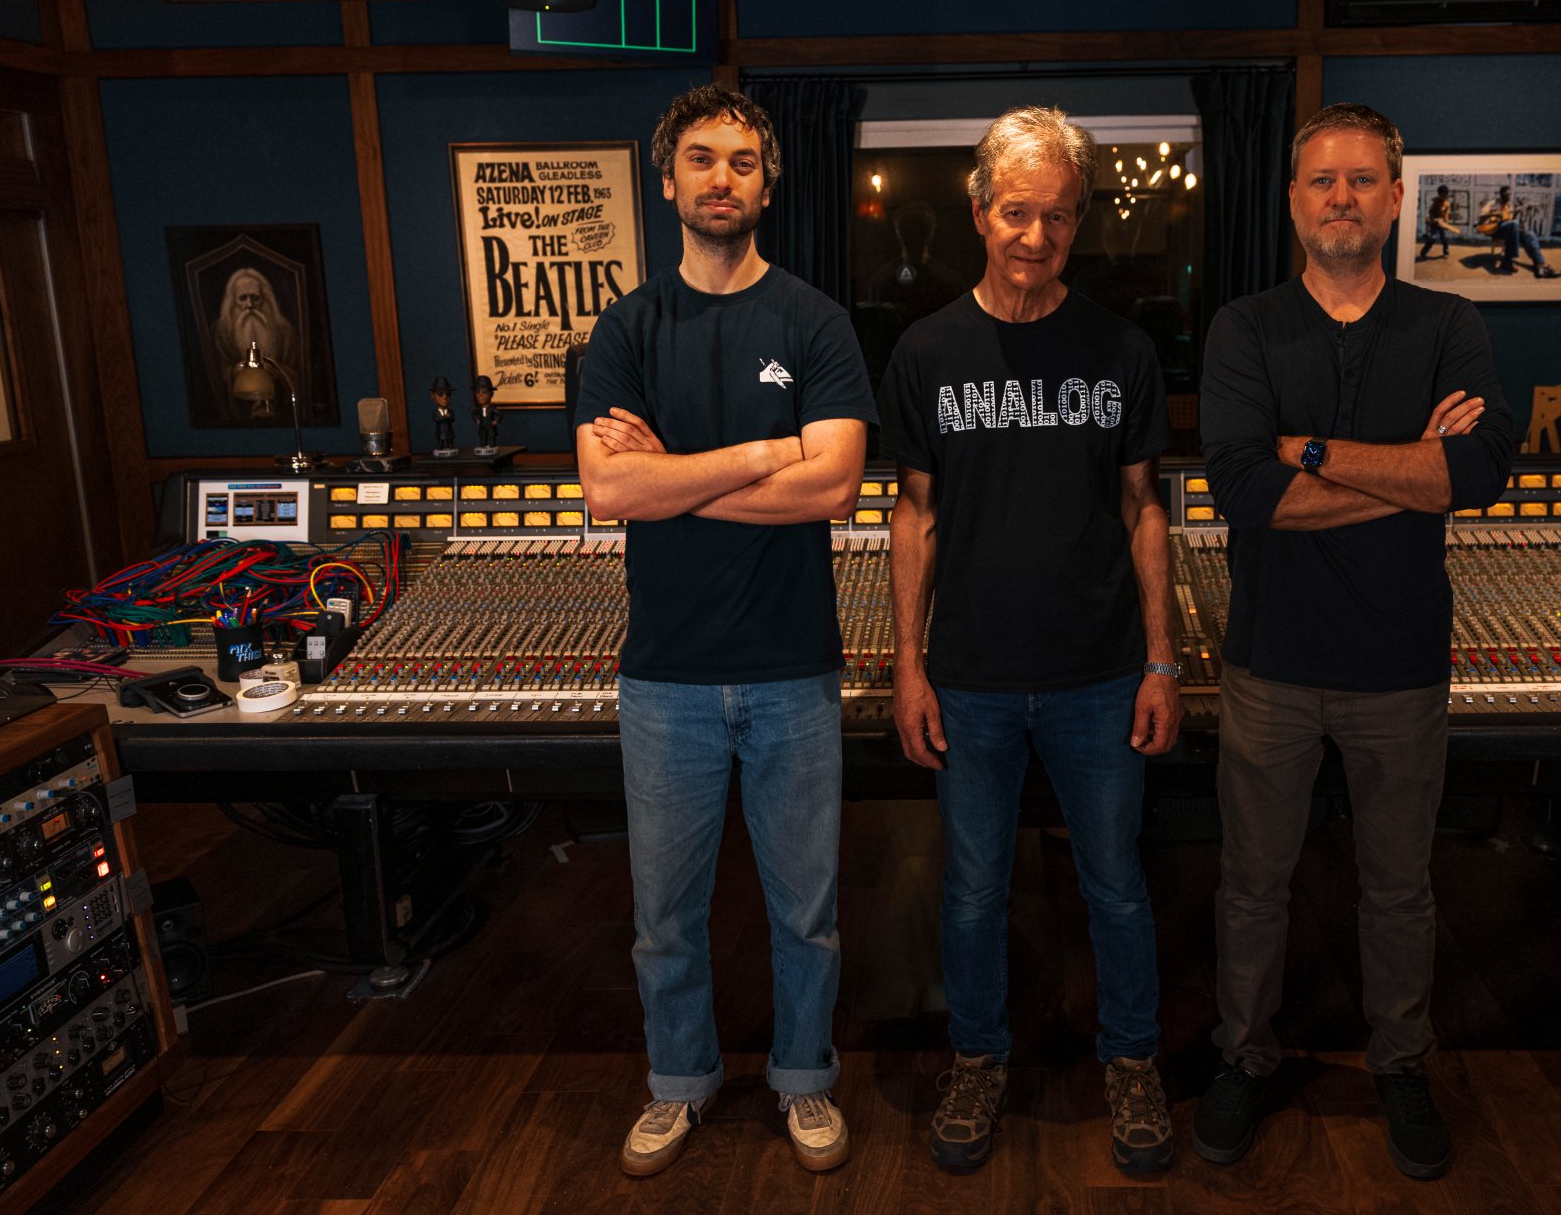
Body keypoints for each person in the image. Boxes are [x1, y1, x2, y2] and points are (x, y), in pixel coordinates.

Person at [1194, 102, 1513, 1182]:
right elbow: (1245, 492)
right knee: (1251, 883)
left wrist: (1314, 450)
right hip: (1269, 660)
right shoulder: (1243, 328)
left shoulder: (1448, 326)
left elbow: (1471, 478)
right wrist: (1402, 474)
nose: (1340, 196)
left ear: (1392, 197)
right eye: (1321, 180)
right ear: (1291, 200)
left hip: (1399, 665)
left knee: (1399, 887)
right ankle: (1241, 1055)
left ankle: (1400, 1065)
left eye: (1361, 179)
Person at [573, 84, 876, 1180]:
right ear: (668, 181)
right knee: (664, 917)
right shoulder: (626, 327)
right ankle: (679, 1084)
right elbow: (607, 492)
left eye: (742, 162)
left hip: (792, 667)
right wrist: (761, 452)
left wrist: (673, 476)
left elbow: (835, 483)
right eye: (700, 159)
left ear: (767, 182)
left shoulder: (813, 320)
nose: (720, 178)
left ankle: (804, 1083)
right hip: (665, 680)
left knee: (807, 912)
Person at [878, 106, 1180, 1174]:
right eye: (1016, 212)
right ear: (978, 211)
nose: (1035, 235)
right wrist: (908, 666)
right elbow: (910, 512)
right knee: (967, 888)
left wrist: (1159, 661)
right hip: (968, 677)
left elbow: (1145, 509)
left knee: (1116, 884)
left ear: (1079, 219)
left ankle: (1131, 1060)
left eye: (1056, 216)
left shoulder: (1120, 347)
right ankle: (977, 1058)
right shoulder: (925, 351)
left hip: (1100, 674)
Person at [213, 266, 297, 418]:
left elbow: (296, 372)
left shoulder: (283, 330)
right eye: (243, 298)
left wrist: (277, 372)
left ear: (264, 299)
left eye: (255, 297)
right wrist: (238, 370)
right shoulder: (222, 333)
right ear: (233, 301)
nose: (249, 305)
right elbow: (220, 372)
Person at [1480, 185, 1560, 279]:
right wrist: (1494, 213)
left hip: (1509, 230)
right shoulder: (1493, 203)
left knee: (1529, 234)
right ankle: (1508, 260)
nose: (1508, 196)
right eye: (1505, 194)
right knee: (1514, 224)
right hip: (1494, 229)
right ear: (1501, 195)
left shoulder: (1510, 206)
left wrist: (1517, 213)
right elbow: (1481, 216)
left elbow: (1510, 222)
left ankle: (1540, 265)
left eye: (1509, 194)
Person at [1416, 184, 1456, 260]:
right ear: (1439, 194)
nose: (1444, 196)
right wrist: (1434, 219)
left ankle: (1446, 252)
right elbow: (1430, 212)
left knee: (1444, 238)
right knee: (1433, 238)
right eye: (1442, 194)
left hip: (1442, 224)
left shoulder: (1447, 204)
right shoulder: (1435, 201)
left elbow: (1446, 215)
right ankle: (1423, 253)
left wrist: (1446, 223)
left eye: (1445, 195)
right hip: (1434, 223)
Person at [470, 374, 500, 450]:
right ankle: (483, 444)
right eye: (477, 392)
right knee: (482, 436)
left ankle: (491, 445)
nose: (481, 395)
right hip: (482, 426)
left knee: (491, 436)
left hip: (490, 426)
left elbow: (499, 414)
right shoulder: (478, 408)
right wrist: (476, 419)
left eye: (485, 392)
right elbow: (473, 413)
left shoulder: (492, 408)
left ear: (491, 394)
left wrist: (496, 421)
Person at [429, 376, 457, 453]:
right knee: (440, 441)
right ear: (433, 396)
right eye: (440, 393)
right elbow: (436, 419)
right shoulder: (435, 411)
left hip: (449, 431)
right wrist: (444, 417)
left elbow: (452, 418)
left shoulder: (450, 411)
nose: (444, 397)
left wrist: (447, 417)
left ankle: (450, 446)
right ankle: (440, 447)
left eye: (448, 394)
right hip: (440, 431)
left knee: (449, 441)